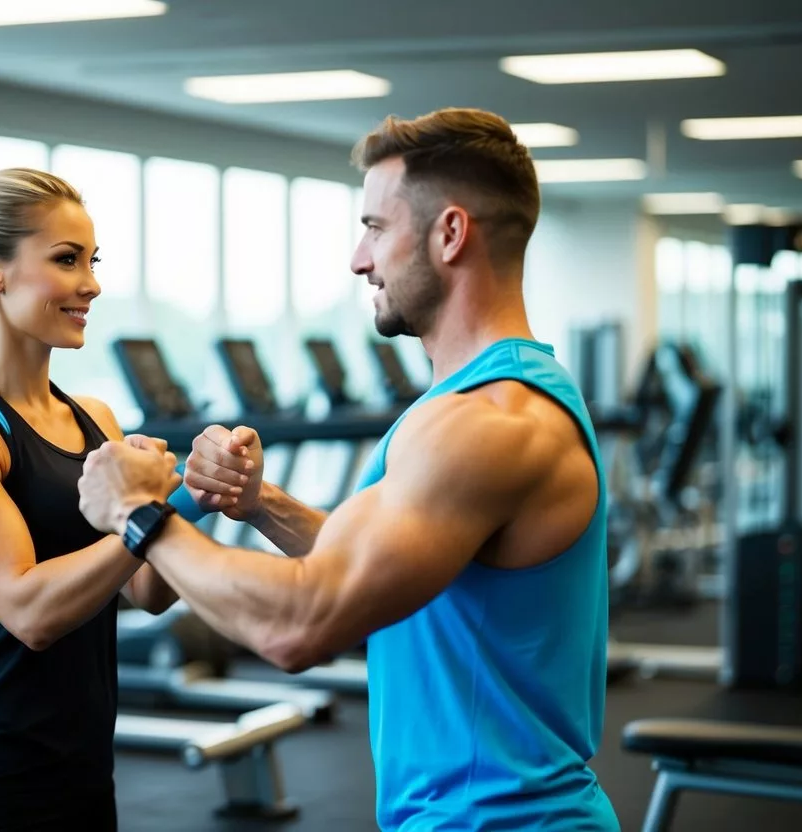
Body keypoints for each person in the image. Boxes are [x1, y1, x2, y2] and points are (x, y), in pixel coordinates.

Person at [76, 109, 620, 831]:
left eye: (374, 227)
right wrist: (258, 502)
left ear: (449, 233)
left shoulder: (487, 424)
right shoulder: (479, 401)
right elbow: (395, 559)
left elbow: (301, 625)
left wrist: (136, 513)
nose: (358, 259)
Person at [0, 167, 184, 831]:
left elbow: (150, 594)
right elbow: (29, 611)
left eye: (92, 260)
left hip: (83, 783)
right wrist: (150, 513)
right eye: (66, 260)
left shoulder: (95, 418)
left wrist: (192, 491)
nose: (92, 284)